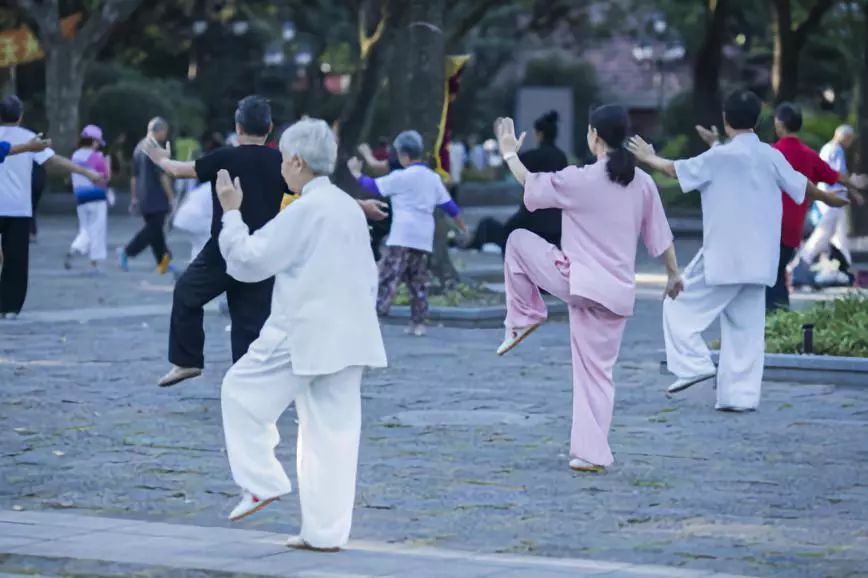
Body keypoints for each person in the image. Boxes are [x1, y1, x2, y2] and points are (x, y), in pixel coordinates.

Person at [216, 118, 387, 551]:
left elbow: (249, 260)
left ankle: (262, 481)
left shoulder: (308, 208)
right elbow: (369, 276)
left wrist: (232, 212)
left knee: (239, 391)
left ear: (296, 160)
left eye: (283, 161)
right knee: (332, 434)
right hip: (351, 332)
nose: (281, 170)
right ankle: (324, 533)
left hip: (305, 330)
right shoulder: (348, 206)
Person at [626, 89, 850, 411]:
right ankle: (740, 398)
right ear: (758, 121)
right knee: (745, 330)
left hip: (723, 256)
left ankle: (694, 365)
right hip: (761, 261)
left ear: (726, 120)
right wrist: (832, 198)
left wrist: (648, 157)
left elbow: (675, 170)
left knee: (677, 306)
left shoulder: (719, 157)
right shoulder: (771, 156)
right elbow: (803, 186)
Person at [146, 96, 387, 387]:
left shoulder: (224, 157)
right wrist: (361, 205)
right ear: (270, 128)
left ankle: (187, 361)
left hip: (222, 249)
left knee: (186, 293)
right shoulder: (279, 160)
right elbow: (317, 191)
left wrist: (158, 156)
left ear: (238, 126)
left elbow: (176, 170)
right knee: (250, 322)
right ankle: (249, 381)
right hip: (264, 248)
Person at [493, 107, 681, 472]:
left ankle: (525, 315)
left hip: (577, 281)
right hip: (617, 294)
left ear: (594, 135)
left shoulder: (581, 178)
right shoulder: (642, 182)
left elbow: (529, 184)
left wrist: (508, 153)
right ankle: (591, 455)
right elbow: (661, 236)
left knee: (516, 240)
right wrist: (673, 276)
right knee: (598, 374)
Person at [348, 130, 466, 336]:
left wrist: (356, 172)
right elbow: (450, 206)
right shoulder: (433, 178)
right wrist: (463, 227)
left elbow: (373, 186)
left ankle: (375, 317)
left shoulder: (400, 177)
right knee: (418, 281)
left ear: (403, 155)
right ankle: (418, 323)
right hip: (423, 237)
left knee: (387, 277)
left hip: (402, 235)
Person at [0, 95, 103, 320]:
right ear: (20, 116)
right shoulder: (30, 140)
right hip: (18, 207)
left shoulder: (27, 141)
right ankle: (10, 307)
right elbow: (54, 161)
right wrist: (87, 172)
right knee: (16, 259)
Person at [757, 104, 866, 310]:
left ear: (779, 124)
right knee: (778, 275)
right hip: (793, 229)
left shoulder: (771, 154)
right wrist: (855, 185)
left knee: (770, 279)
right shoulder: (808, 154)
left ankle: (774, 322)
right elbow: (834, 175)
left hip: (769, 226)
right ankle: (781, 323)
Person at [468, 111, 569, 253]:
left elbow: (512, 164)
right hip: (557, 219)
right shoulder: (561, 157)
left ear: (539, 134)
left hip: (533, 216)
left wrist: (507, 148)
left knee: (503, 233)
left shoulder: (535, 156)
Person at [792, 125, 861, 286]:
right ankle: (801, 264)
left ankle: (846, 268)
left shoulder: (828, 149)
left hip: (831, 199)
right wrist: (854, 185)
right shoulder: (835, 150)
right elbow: (836, 175)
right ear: (845, 137)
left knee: (839, 237)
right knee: (823, 235)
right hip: (833, 200)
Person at [119, 117, 176, 275]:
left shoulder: (139, 147)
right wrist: (172, 197)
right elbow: (163, 176)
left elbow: (134, 177)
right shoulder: (155, 148)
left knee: (156, 233)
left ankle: (164, 264)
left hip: (144, 197)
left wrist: (135, 197)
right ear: (160, 131)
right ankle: (127, 251)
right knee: (152, 230)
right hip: (157, 197)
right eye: (165, 132)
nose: (166, 136)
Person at [65, 125, 113, 273]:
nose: (98, 145)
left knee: (85, 228)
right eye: (97, 142)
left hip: (80, 197)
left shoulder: (75, 156)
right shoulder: (96, 157)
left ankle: (75, 248)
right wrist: (108, 163)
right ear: (93, 141)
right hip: (96, 197)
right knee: (97, 229)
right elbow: (105, 178)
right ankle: (94, 263)